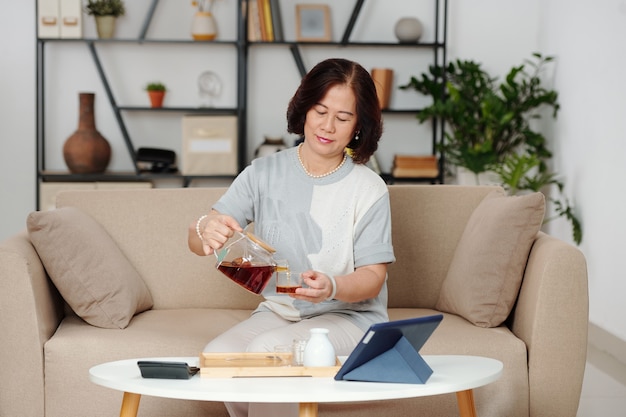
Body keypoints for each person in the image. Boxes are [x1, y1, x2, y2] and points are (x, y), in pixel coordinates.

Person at [188, 58, 395, 417]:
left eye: (343, 118)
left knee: (267, 351)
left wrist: (331, 285)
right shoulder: (263, 173)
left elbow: (373, 280)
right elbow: (198, 240)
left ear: (359, 126)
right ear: (304, 109)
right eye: (320, 111)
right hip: (281, 312)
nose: (328, 126)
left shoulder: (369, 189)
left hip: (349, 318)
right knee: (218, 361)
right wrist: (205, 227)